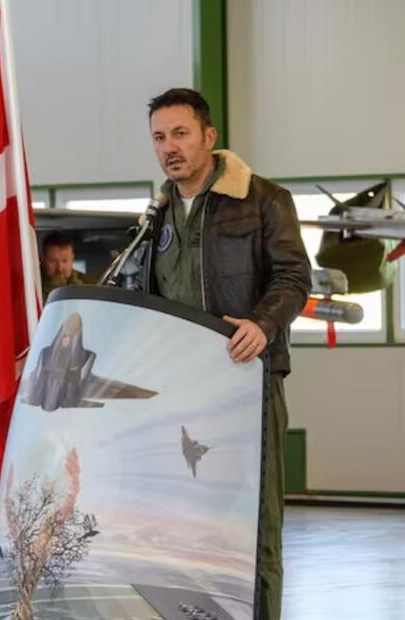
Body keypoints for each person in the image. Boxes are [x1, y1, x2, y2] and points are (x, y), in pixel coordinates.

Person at [138, 88, 310, 620]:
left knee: (253, 525)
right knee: (181, 526)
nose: (170, 148)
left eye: (181, 133)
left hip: (245, 384)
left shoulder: (264, 200)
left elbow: (294, 275)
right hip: (177, 391)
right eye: (160, 138)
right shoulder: (157, 214)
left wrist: (263, 323)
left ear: (209, 137)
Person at [41, 231, 88, 299]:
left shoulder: (88, 286)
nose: (59, 268)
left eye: (64, 261)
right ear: (42, 259)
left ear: (72, 259)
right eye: (53, 261)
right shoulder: (29, 287)